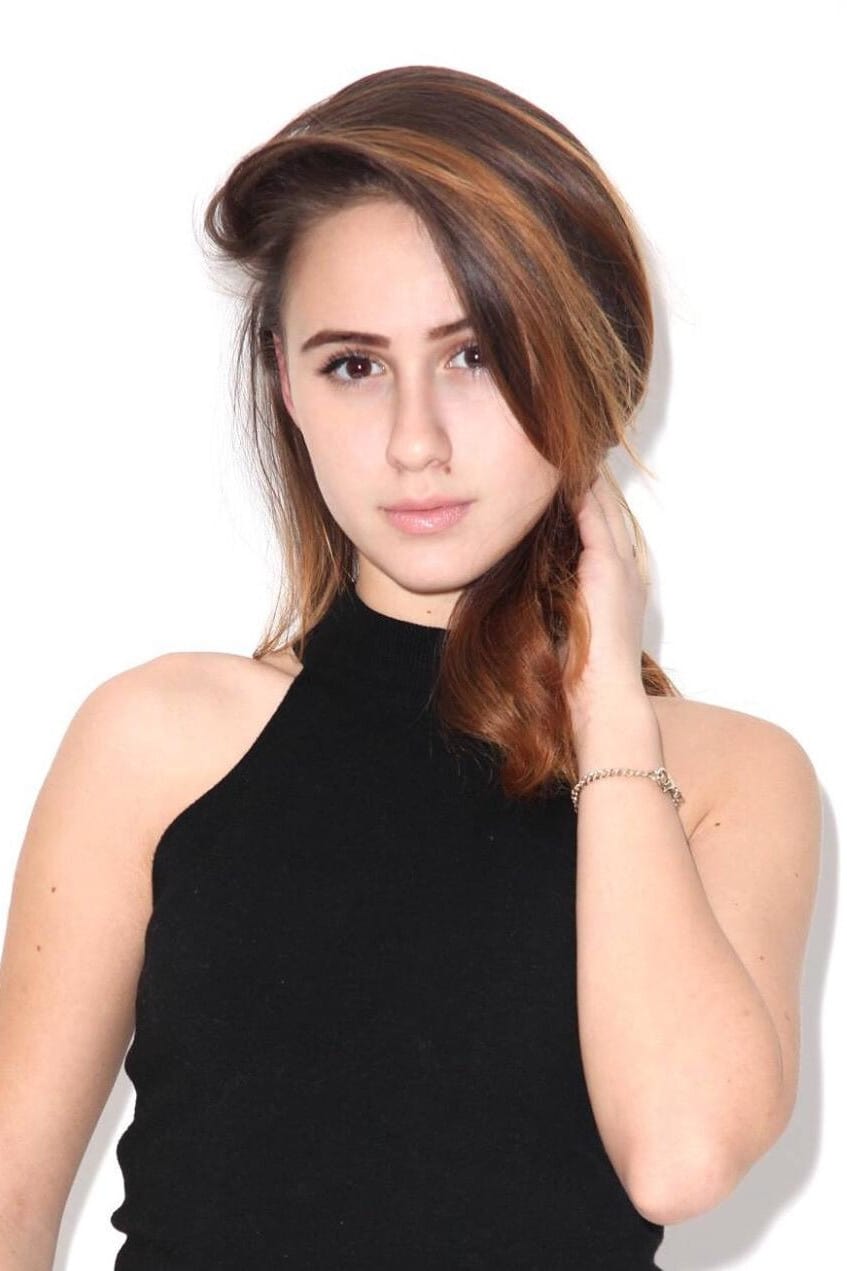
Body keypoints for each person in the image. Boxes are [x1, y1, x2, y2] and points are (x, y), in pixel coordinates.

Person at [0, 65, 821, 1270]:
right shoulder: (158, 738)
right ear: (285, 381)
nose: (415, 440)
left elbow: (681, 1155)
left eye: (474, 354)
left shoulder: (725, 776)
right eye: (354, 363)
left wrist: (605, 696)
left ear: (582, 367)